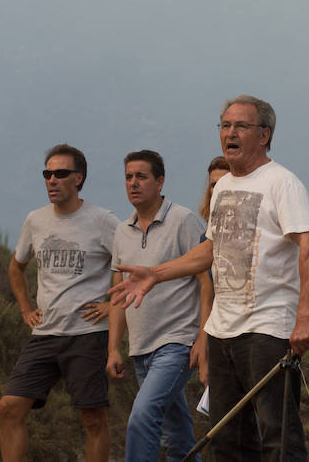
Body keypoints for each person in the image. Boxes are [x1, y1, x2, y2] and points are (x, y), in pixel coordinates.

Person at [110, 95, 309, 461]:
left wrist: (305, 318)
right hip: (221, 331)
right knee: (227, 439)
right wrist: (156, 273)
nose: (229, 133)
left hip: (268, 330)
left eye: (240, 126)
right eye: (225, 125)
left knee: (279, 437)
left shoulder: (282, 183)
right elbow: (210, 249)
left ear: (264, 135)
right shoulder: (225, 187)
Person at [0, 144, 118, 462]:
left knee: (92, 418)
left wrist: (112, 304)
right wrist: (25, 308)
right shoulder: (35, 220)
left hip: (87, 333)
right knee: (9, 407)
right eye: (47, 174)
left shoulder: (102, 220)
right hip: (45, 334)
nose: (52, 180)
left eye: (61, 174)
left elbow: (128, 264)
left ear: (78, 179)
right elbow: (16, 267)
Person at [106, 150, 211, 461]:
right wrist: (113, 347)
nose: (133, 183)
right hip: (141, 349)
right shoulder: (121, 232)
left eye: (141, 176)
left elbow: (208, 283)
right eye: (128, 177)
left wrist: (203, 338)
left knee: (143, 415)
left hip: (177, 343)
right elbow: (118, 295)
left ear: (160, 181)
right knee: (176, 437)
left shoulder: (184, 220)